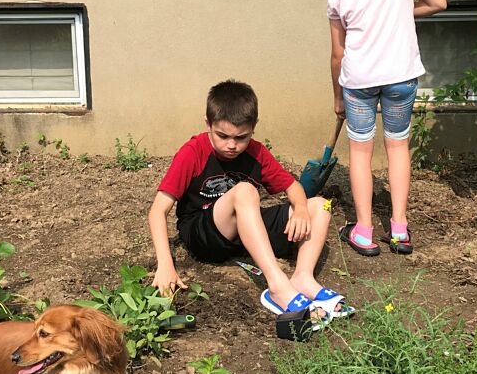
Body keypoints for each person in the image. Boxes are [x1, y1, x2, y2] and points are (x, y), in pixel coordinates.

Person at [148, 80, 351, 326]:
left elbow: (293, 187)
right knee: (244, 191)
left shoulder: (256, 152)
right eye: (222, 136)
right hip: (204, 233)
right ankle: (277, 285)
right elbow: (158, 211)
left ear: (253, 128)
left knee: (319, 206)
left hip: (244, 230)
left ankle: (303, 278)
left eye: (241, 137)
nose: (232, 145)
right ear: (208, 124)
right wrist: (166, 265)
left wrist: (299, 208)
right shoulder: (193, 151)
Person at [312, 0, 447, 256]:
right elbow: (438, 2)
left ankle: (364, 230)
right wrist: (403, 10)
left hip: (359, 82)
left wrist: (338, 98)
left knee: (360, 152)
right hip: (402, 76)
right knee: (398, 146)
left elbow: (337, 55)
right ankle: (400, 229)